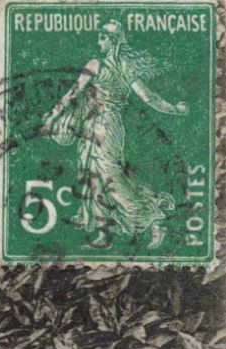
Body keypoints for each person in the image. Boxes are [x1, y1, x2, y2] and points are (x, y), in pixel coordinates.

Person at [42, 20, 188, 249]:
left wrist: (52, 117)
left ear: (114, 41)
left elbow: (72, 93)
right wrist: (175, 109)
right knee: (94, 177)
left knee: (108, 177)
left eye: (103, 37)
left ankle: (151, 217)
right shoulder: (124, 67)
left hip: (101, 125)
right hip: (106, 125)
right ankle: (103, 232)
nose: (99, 41)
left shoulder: (97, 64)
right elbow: (149, 98)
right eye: (99, 36)